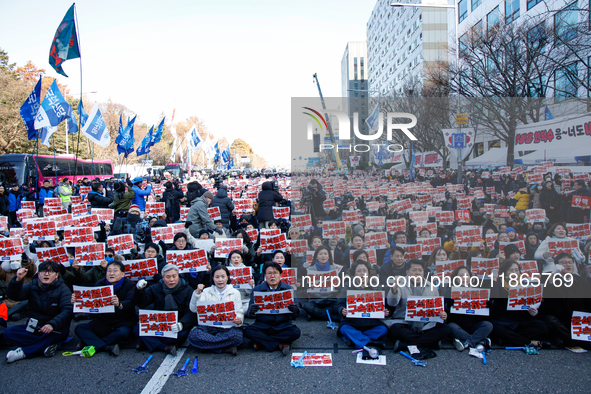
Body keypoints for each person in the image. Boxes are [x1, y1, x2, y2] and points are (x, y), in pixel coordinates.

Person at [3, 261, 73, 363]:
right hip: (35, 327)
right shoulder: (32, 284)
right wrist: (18, 280)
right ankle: (45, 346)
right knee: (8, 333)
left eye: (51, 272)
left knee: (61, 333)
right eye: (44, 271)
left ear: (57, 275)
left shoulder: (63, 289)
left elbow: (67, 310)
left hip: (54, 328)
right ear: (39, 274)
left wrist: (51, 324)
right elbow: (14, 296)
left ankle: (23, 352)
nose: (46, 274)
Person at [73, 261, 136, 356]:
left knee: (123, 333)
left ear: (122, 274)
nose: (111, 273)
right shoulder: (100, 284)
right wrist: (77, 300)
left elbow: (130, 302)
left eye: (115, 271)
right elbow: (91, 303)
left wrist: (119, 304)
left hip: (122, 321)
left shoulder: (130, 285)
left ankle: (91, 343)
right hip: (103, 321)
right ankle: (106, 347)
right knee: (79, 328)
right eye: (109, 271)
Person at [386, 259, 451, 351]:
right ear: (407, 272)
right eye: (414, 270)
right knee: (395, 329)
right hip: (405, 322)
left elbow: (437, 308)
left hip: (425, 323)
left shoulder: (431, 287)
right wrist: (395, 287)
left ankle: (406, 345)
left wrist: (442, 314)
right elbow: (392, 303)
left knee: (445, 329)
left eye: (420, 270)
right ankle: (430, 342)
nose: (417, 273)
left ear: (424, 272)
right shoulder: (400, 284)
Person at [134, 264, 195, 355]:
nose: (171, 280)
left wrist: (181, 324)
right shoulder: (156, 287)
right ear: (162, 278)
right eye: (168, 277)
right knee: (136, 329)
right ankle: (164, 347)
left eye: (174, 276)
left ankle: (149, 343)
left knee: (183, 335)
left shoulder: (187, 289)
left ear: (178, 276)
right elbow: (142, 303)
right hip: (159, 323)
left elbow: (190, 311)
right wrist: (139, 291)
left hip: (177, 323)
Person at [244, 262, 301, 355]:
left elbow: (298, 311)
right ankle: (280, 344)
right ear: (265, 275)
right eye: (269, 273)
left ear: (280, 275)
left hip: (283, 325)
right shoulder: (257, 290)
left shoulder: (288, 289)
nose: (272, 276)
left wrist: (295, 310)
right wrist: (252, 310)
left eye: (275, 273)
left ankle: (262, 343)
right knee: (248, 331)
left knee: (296, 332)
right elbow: (250, 314)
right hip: (262, 325)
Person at [490, 259, 549, 347]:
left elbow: (531, 303)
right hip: (503, 320)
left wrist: (533, 311)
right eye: (511, 270)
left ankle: (511, 340)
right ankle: (529, 342)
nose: (514, 272)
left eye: (517, 270)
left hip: (520, 321)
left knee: (543, 328)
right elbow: (494, 298)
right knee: (498, 330)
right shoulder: (498, 284)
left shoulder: (525, 284)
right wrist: (494, 280)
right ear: (505, 272)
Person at [188, 265, 244, 355]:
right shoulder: (206, 291)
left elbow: (239, 311)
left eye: (223, 276)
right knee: (193, 335)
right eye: (217, 277)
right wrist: (197, 294)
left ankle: (207, 347)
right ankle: (223, 348)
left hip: (227, 327)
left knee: (238, 337)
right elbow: (194, 309)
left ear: (227, 277)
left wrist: (239, 319)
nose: (220, 280)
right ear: (213, 278)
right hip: (209, 326)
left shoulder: (235, 292)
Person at [540, 253, 591, 348]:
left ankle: (570, 340)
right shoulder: (550, 279)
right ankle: (573, 341)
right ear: (557, 265)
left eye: (570, 262)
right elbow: (546, 299)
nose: (568, 265)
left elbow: (588, 303)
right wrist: (552, 279)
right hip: (559, 319)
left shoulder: (582, 281)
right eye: (563, 263)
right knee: (551, 320)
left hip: (577, 319)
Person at [337, 259, 389, 349]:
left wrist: (384, 311)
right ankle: (370, 342)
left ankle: (357, 339)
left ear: (368, 273)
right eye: (359, 271)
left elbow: (382, 305)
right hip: (352, 322)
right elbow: (339, 304)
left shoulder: (376, 286)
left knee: (383, 329)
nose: (362, 273)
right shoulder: (347, 286)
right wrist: (342, 310)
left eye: (364, 270)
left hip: (371, 323)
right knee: (344, 328)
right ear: (354, 274)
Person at [443, 266, 493, 352]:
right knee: (450, 327)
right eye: (461, 276)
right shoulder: (450, 291)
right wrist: (448, 305)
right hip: (458, 326)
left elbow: (484, 317)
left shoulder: (479, 292)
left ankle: (467, 342)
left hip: (474, 325)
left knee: (488, 325)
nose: (464, 278)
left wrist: (487, 306)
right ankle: (480, 341)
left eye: (467, 275)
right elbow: (445, 315)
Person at [302, 246, 340, 321]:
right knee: (307, 306)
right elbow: (307, 287)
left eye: (325, 254)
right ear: (316, 257)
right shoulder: (310, 269)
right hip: (315, 300)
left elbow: (337, 286)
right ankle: (331, 317)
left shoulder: (334, 269)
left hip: (331, 300)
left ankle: (316, 315)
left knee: (339, 306)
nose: (323, 256)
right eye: (320, 254)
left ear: (329, 256)